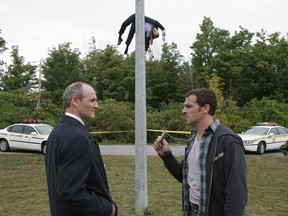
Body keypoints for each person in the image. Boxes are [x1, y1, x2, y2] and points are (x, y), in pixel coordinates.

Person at [153, 88, 247, 216]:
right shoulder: (193, 139)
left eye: (188, 106)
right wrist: (166, 155)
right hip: (191, 211)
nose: (183, 111)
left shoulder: (228, 141)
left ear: (205, 108)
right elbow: (185, 176)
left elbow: (236, 192)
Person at [45, 82, 117, 216]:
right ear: (75, 101)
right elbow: (71, 192)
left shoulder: (58, 131)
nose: (97, 105)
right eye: (92, 100)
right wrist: (108, 209)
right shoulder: (76, 137)